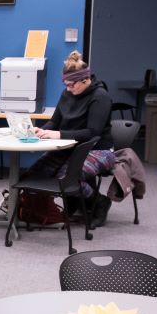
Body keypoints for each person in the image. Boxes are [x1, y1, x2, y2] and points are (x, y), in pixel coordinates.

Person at [27, 51, 115, 226]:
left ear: (84, 80)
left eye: (71, 84)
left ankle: (99, 202)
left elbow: (93, 132)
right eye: (65, 84)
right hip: (68, 147)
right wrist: (41, 131)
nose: (68, 89)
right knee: (36, 173)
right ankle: (74, 202)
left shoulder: (100, 97)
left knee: (66, 179)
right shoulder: (67, 94)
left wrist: (59, 134)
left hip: (98, 149)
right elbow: (54, 122)